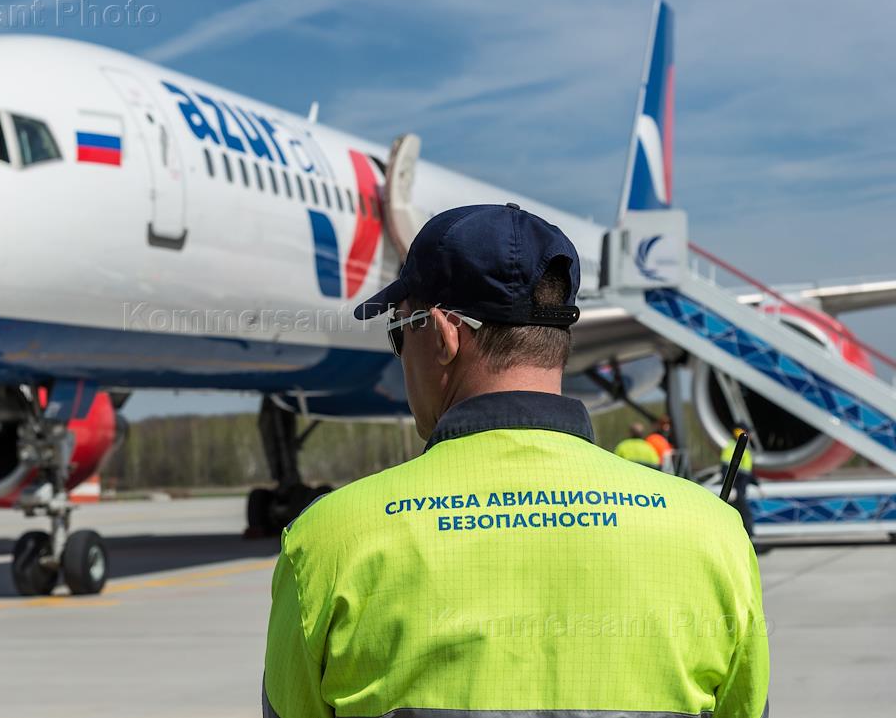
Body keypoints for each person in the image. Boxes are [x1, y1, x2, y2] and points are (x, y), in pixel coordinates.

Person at [262, 203, 768, 718]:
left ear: (442, 335)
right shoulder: (714, 535)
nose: (401, 354)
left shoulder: (327, 541)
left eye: (400, 332)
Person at [722, 425, 757, 537]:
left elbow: (746, 471)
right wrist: (731, 488)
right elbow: (726, 469)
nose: (751, 436)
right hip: (737, 489)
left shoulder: (743, 447)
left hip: (740, 488)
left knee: (739, 516)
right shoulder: (733, 447)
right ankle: (750, 541)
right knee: (745, 515)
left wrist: (757, 484)